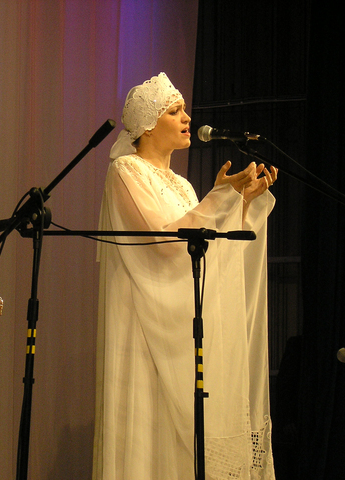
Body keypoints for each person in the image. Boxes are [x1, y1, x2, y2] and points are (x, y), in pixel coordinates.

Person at [92, 73, 278, 479]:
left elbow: (207, 252)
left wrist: (240, 204)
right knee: (149, 431)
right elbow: (164, 243)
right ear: (147, 126)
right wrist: (221, 198)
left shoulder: (183, 185)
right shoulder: (127, 170)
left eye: (184, 110)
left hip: (179, 329)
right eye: (174, 111)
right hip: (143, 326)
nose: (187, 118)